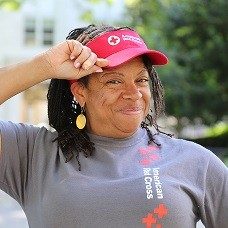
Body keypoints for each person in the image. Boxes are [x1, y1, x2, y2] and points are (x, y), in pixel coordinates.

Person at [0, 24, 227, 228]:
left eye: (141, 80)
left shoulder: (194, 161)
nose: (133, 93)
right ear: (80, 92)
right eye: (114, 81)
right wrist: (45, 65)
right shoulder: (32, 154)